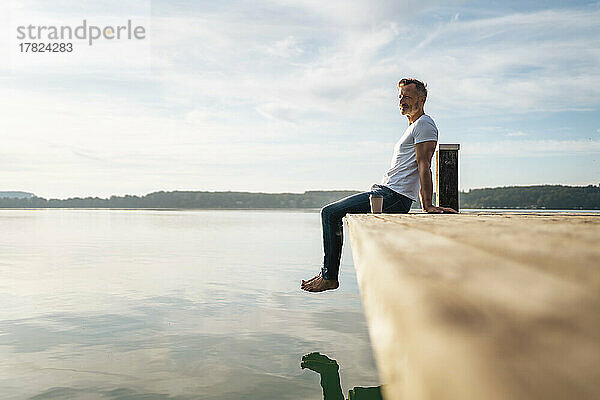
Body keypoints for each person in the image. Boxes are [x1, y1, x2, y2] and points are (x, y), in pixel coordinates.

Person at [301, 78, 457, 293]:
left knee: (329, 213)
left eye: (407, 97)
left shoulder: (425, 125)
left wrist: (428, 205)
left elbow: (424, 166)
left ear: (422, 99)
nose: (402, 101)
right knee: (331, 213)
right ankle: (326, 273)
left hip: (394, 196)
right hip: (386, 193)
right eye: (400, 96)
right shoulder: (413, 127)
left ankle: (329, 276)